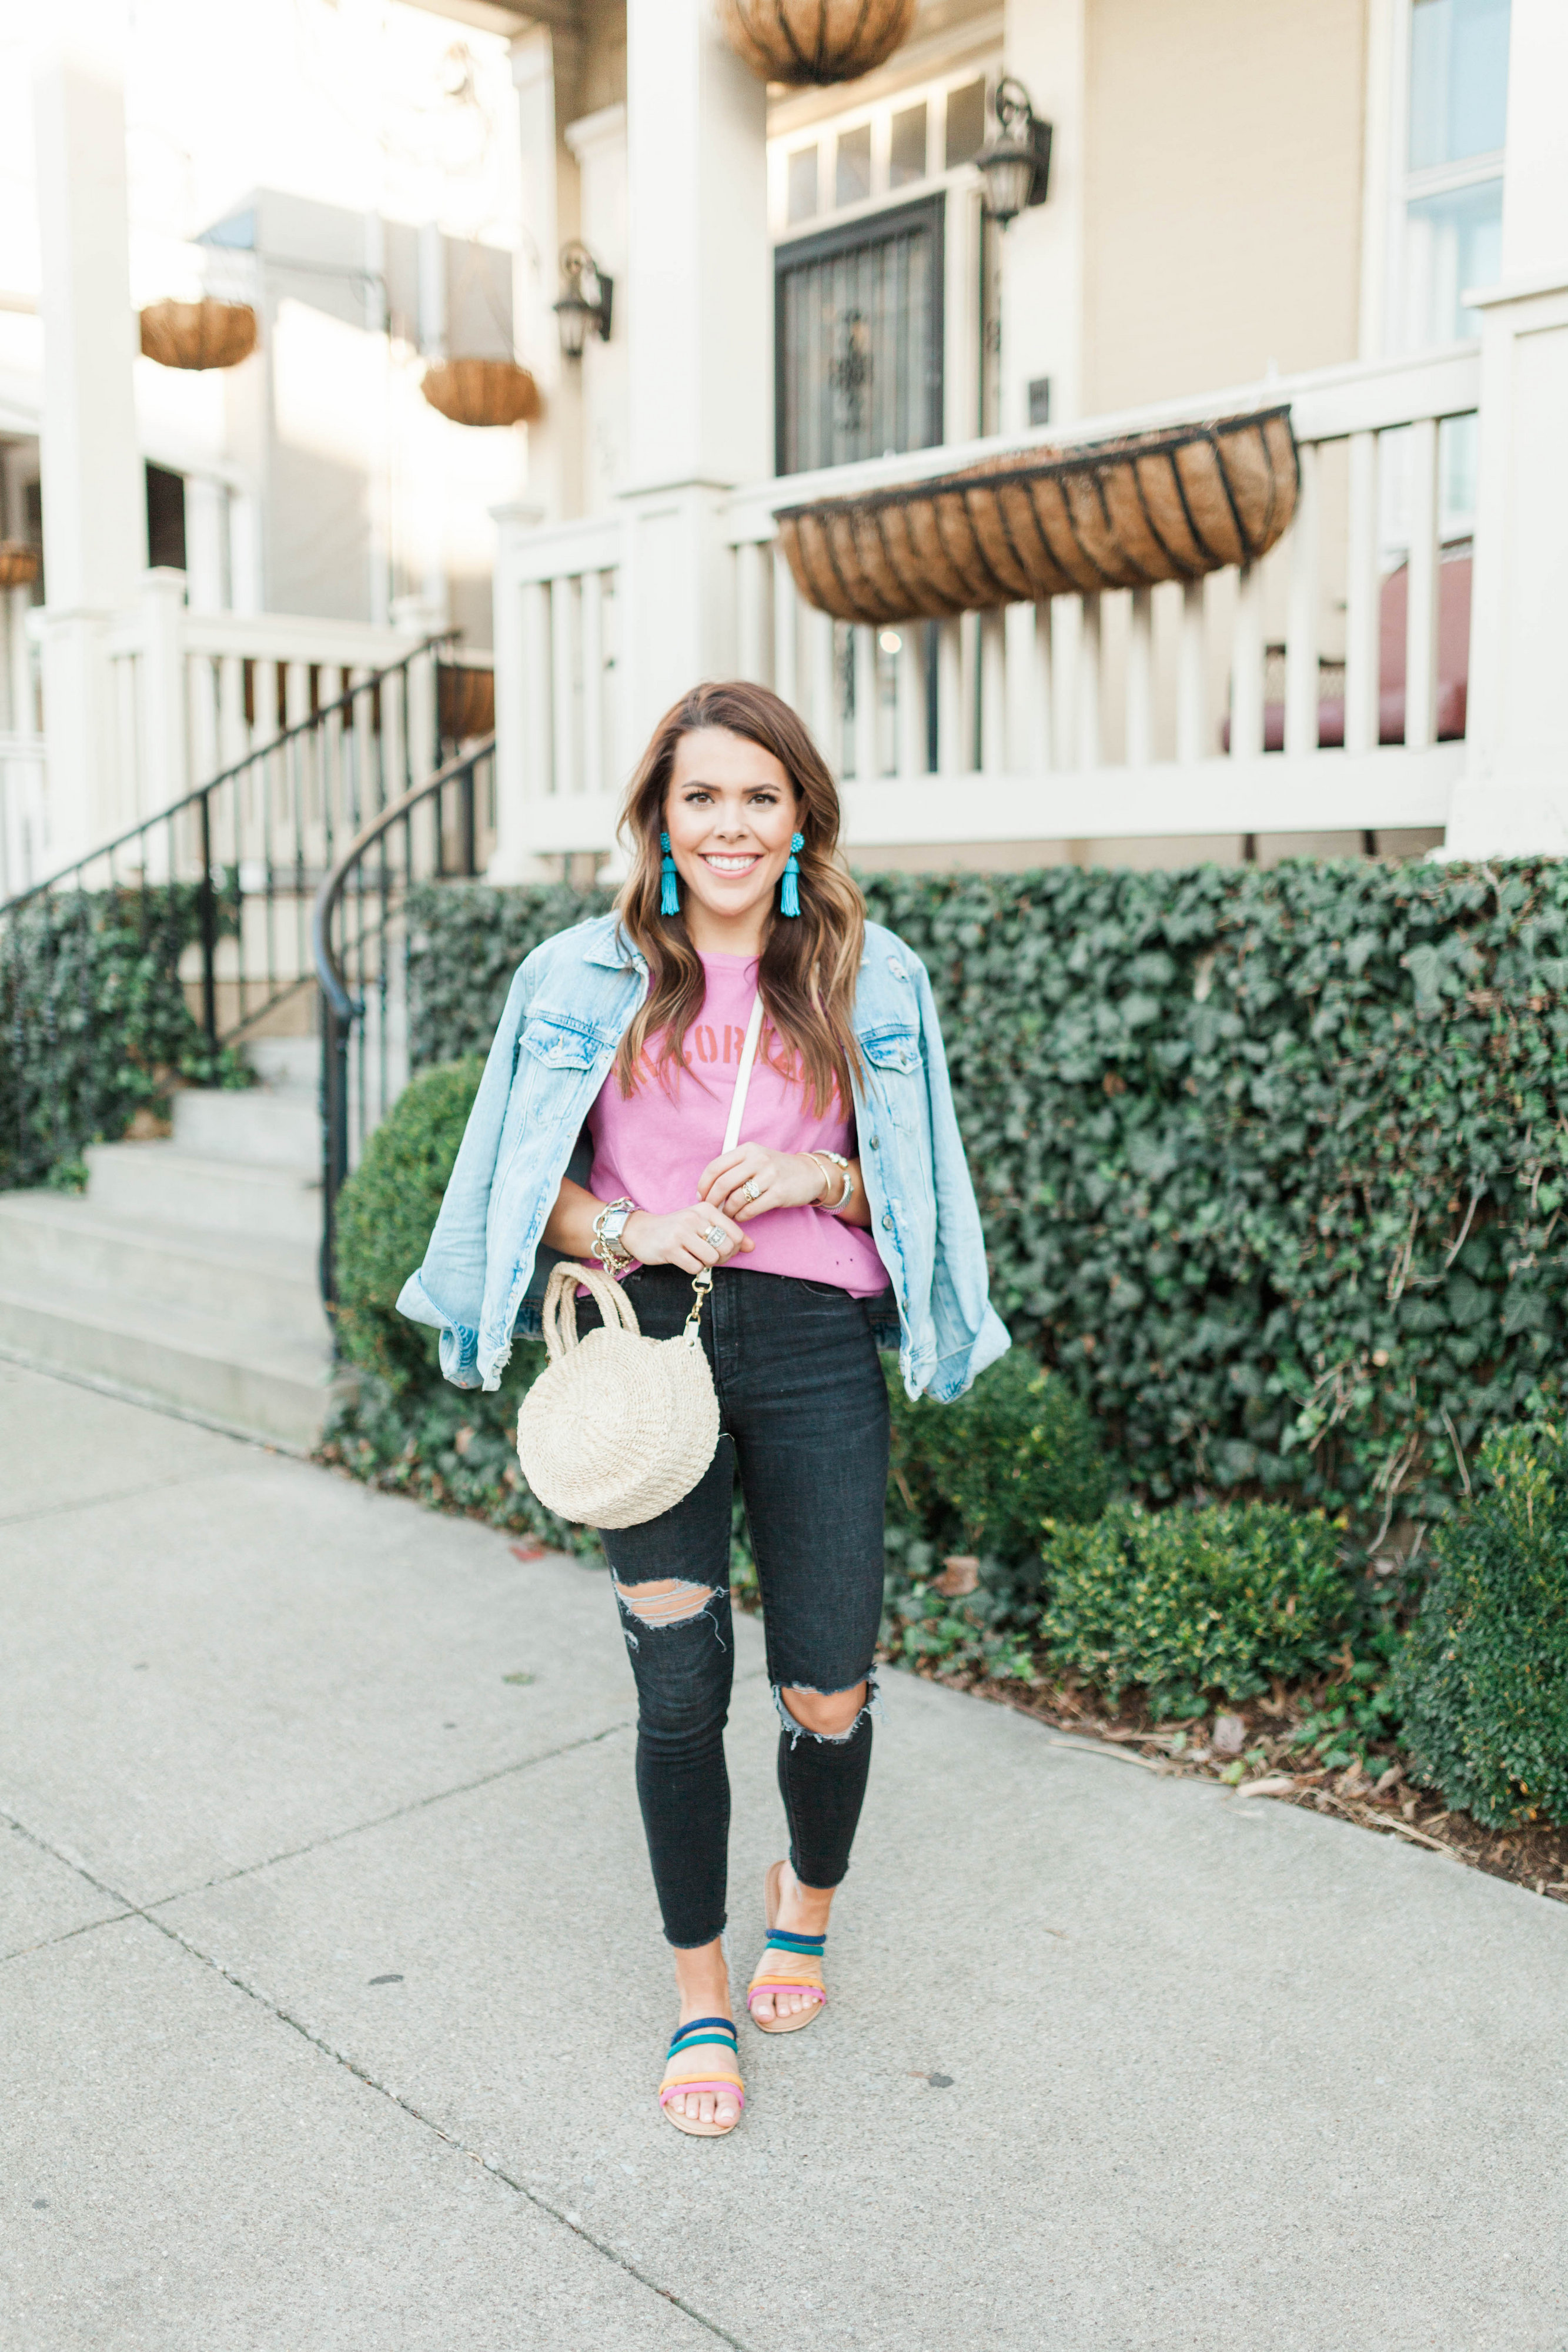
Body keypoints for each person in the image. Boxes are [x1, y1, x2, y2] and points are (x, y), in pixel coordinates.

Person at [400, 680, 1008, 2137]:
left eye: (758, 795)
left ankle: (804, 1895)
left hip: (809, 1345)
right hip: (648, 1350)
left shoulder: (871, 975)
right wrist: (623, 1228)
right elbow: (508, 1190)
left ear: (799, 814)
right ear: (658, 818)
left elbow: (918, 1190)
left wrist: (814, 1179)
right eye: (700, 796)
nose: (729, 824)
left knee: (826, 1685)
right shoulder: (573, 977)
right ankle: (698, 1990)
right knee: (676, 1690)